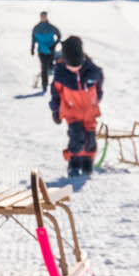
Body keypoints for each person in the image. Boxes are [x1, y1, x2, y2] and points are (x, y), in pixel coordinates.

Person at [49, 36, 105, 177]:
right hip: (72, 113)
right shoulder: (61, 76)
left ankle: (87, 162)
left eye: (77, 66)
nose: (74, 69)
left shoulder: (93, 72)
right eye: (71, 66)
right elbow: (55, 95)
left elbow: (99, 86)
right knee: (76, 138)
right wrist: (55, 111)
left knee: (90, 139)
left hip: (90, 112)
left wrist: (97, 98)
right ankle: (73, 163)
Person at [29, 12, 61, 92]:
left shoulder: (51, 27)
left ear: (46, 17)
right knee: (44, 67)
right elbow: (33, 39)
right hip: (41, 51)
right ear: (40, 17)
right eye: (42, 16)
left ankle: (54, 82)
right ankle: (44, 85)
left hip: (51, 51)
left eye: (44, 16)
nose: (43, 18)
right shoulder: (36, 28)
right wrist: (32, 48)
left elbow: (59, 35)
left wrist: (54, 45)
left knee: (50, 68)